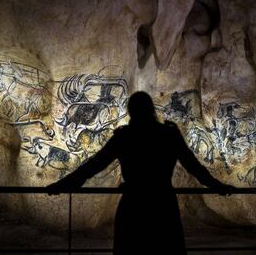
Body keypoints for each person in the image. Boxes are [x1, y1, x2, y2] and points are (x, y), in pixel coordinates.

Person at [46, 91, 235, 255]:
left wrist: (64, 184)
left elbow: (94, 165)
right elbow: (194, 167)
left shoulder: (124, 137)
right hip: (162, 204)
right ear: (151, 109)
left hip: (134, 204)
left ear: (131, 111)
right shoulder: (168, 135)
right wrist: (217, 186)